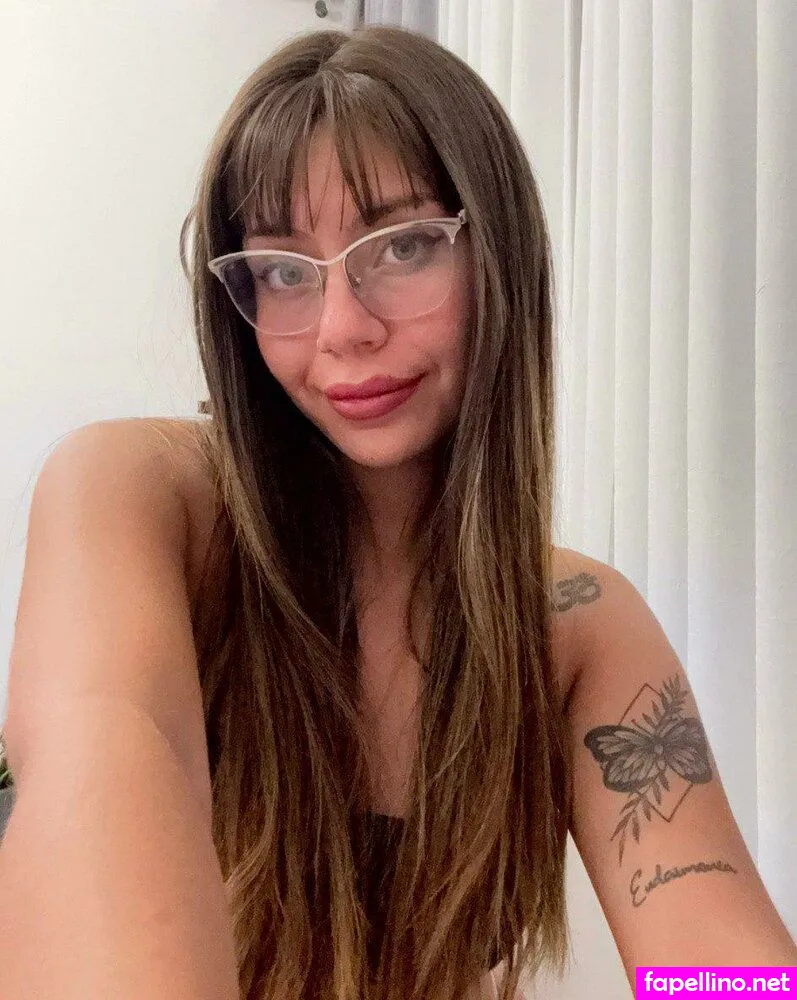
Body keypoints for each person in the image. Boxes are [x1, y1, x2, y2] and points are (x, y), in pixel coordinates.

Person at [1, 23, 795, 1000]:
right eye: (282, 270)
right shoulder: (143, 500)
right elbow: (96, 769)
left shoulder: (574, 625)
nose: (342, 328)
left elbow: (712, 958)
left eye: (405, 245)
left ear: (495, 253)